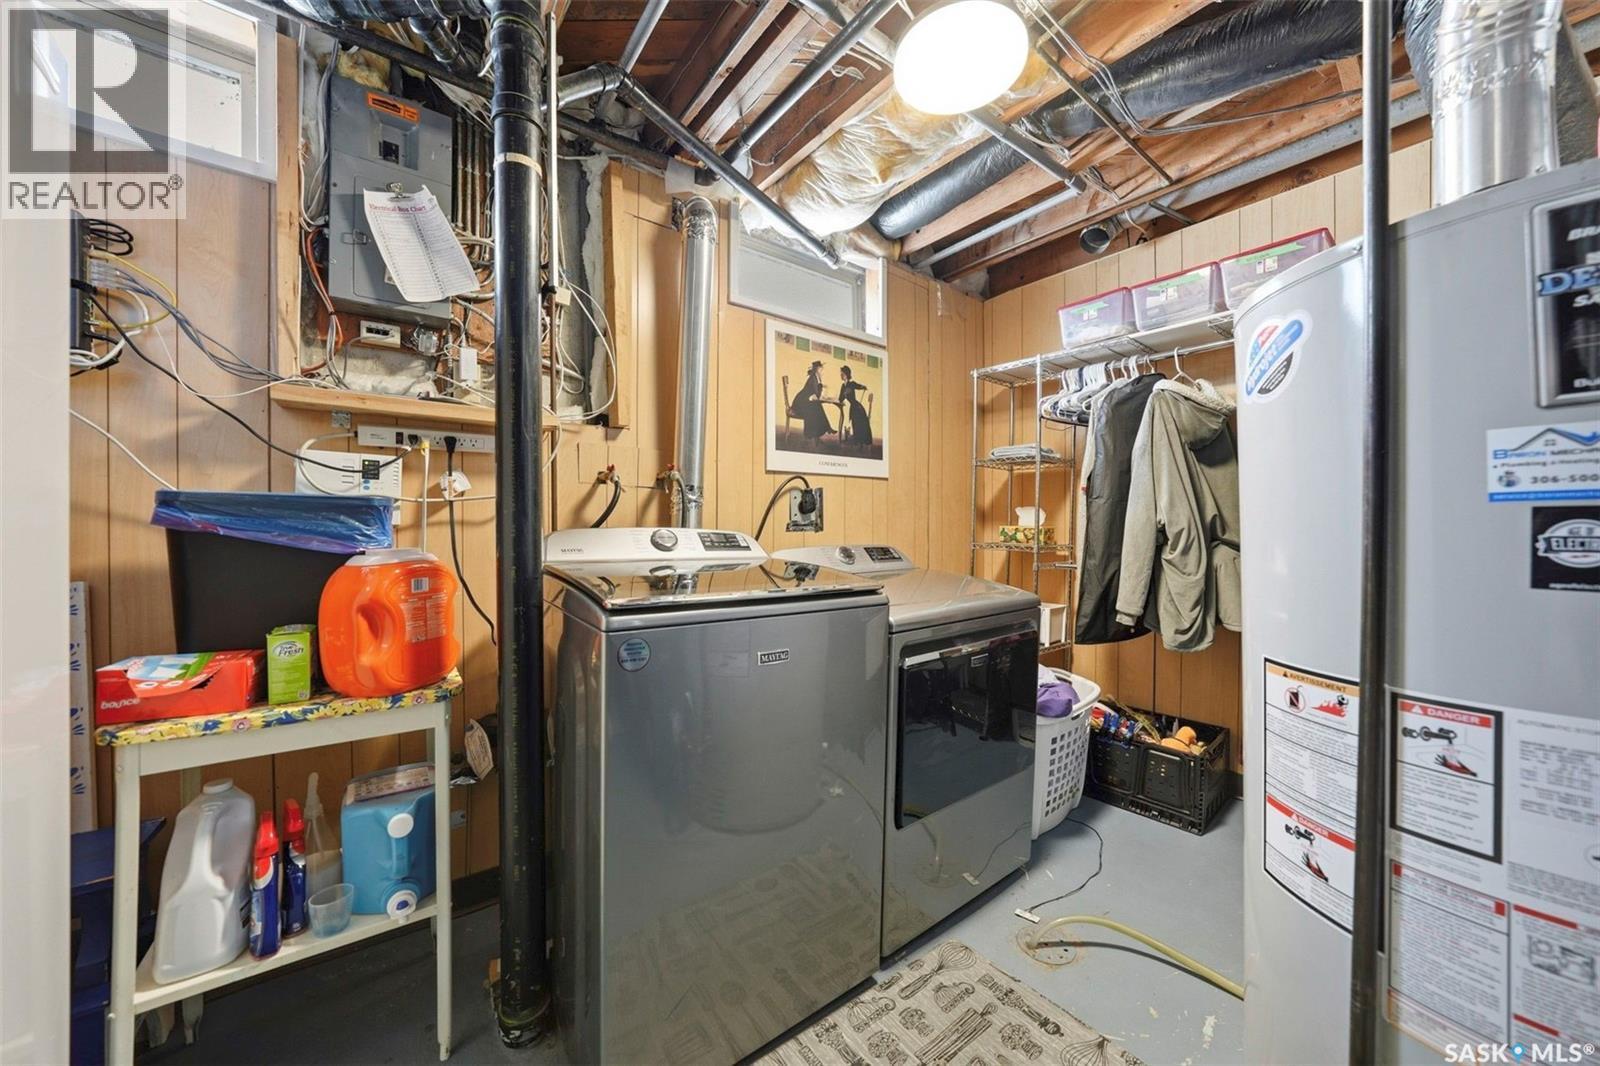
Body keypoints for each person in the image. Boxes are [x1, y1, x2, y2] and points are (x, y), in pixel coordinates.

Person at [790, 360, 834, 443]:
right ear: (817, 369)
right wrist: (821, 387)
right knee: (815, 408)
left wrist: (821, 386)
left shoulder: (816, 378)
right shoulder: (813, 378)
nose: (822, 370)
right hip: (801, 402)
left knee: (817, 407)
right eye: (821, 369)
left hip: (806, 400)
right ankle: (818, 432)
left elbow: (816, 394)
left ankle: (819, 433)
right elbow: (816, 394)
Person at [838, 365, 872, 447]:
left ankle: (861, 442)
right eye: (841, 374)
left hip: (857, 407)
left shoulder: (852, 384)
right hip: (852, 407)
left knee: (859, 423)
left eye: (842, 374)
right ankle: (857, 441)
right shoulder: (843, 386)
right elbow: (840, 399)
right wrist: (844, 395)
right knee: (855, 424)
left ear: (846, 375)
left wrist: (863, 387)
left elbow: (859, 386)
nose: (841, 375)